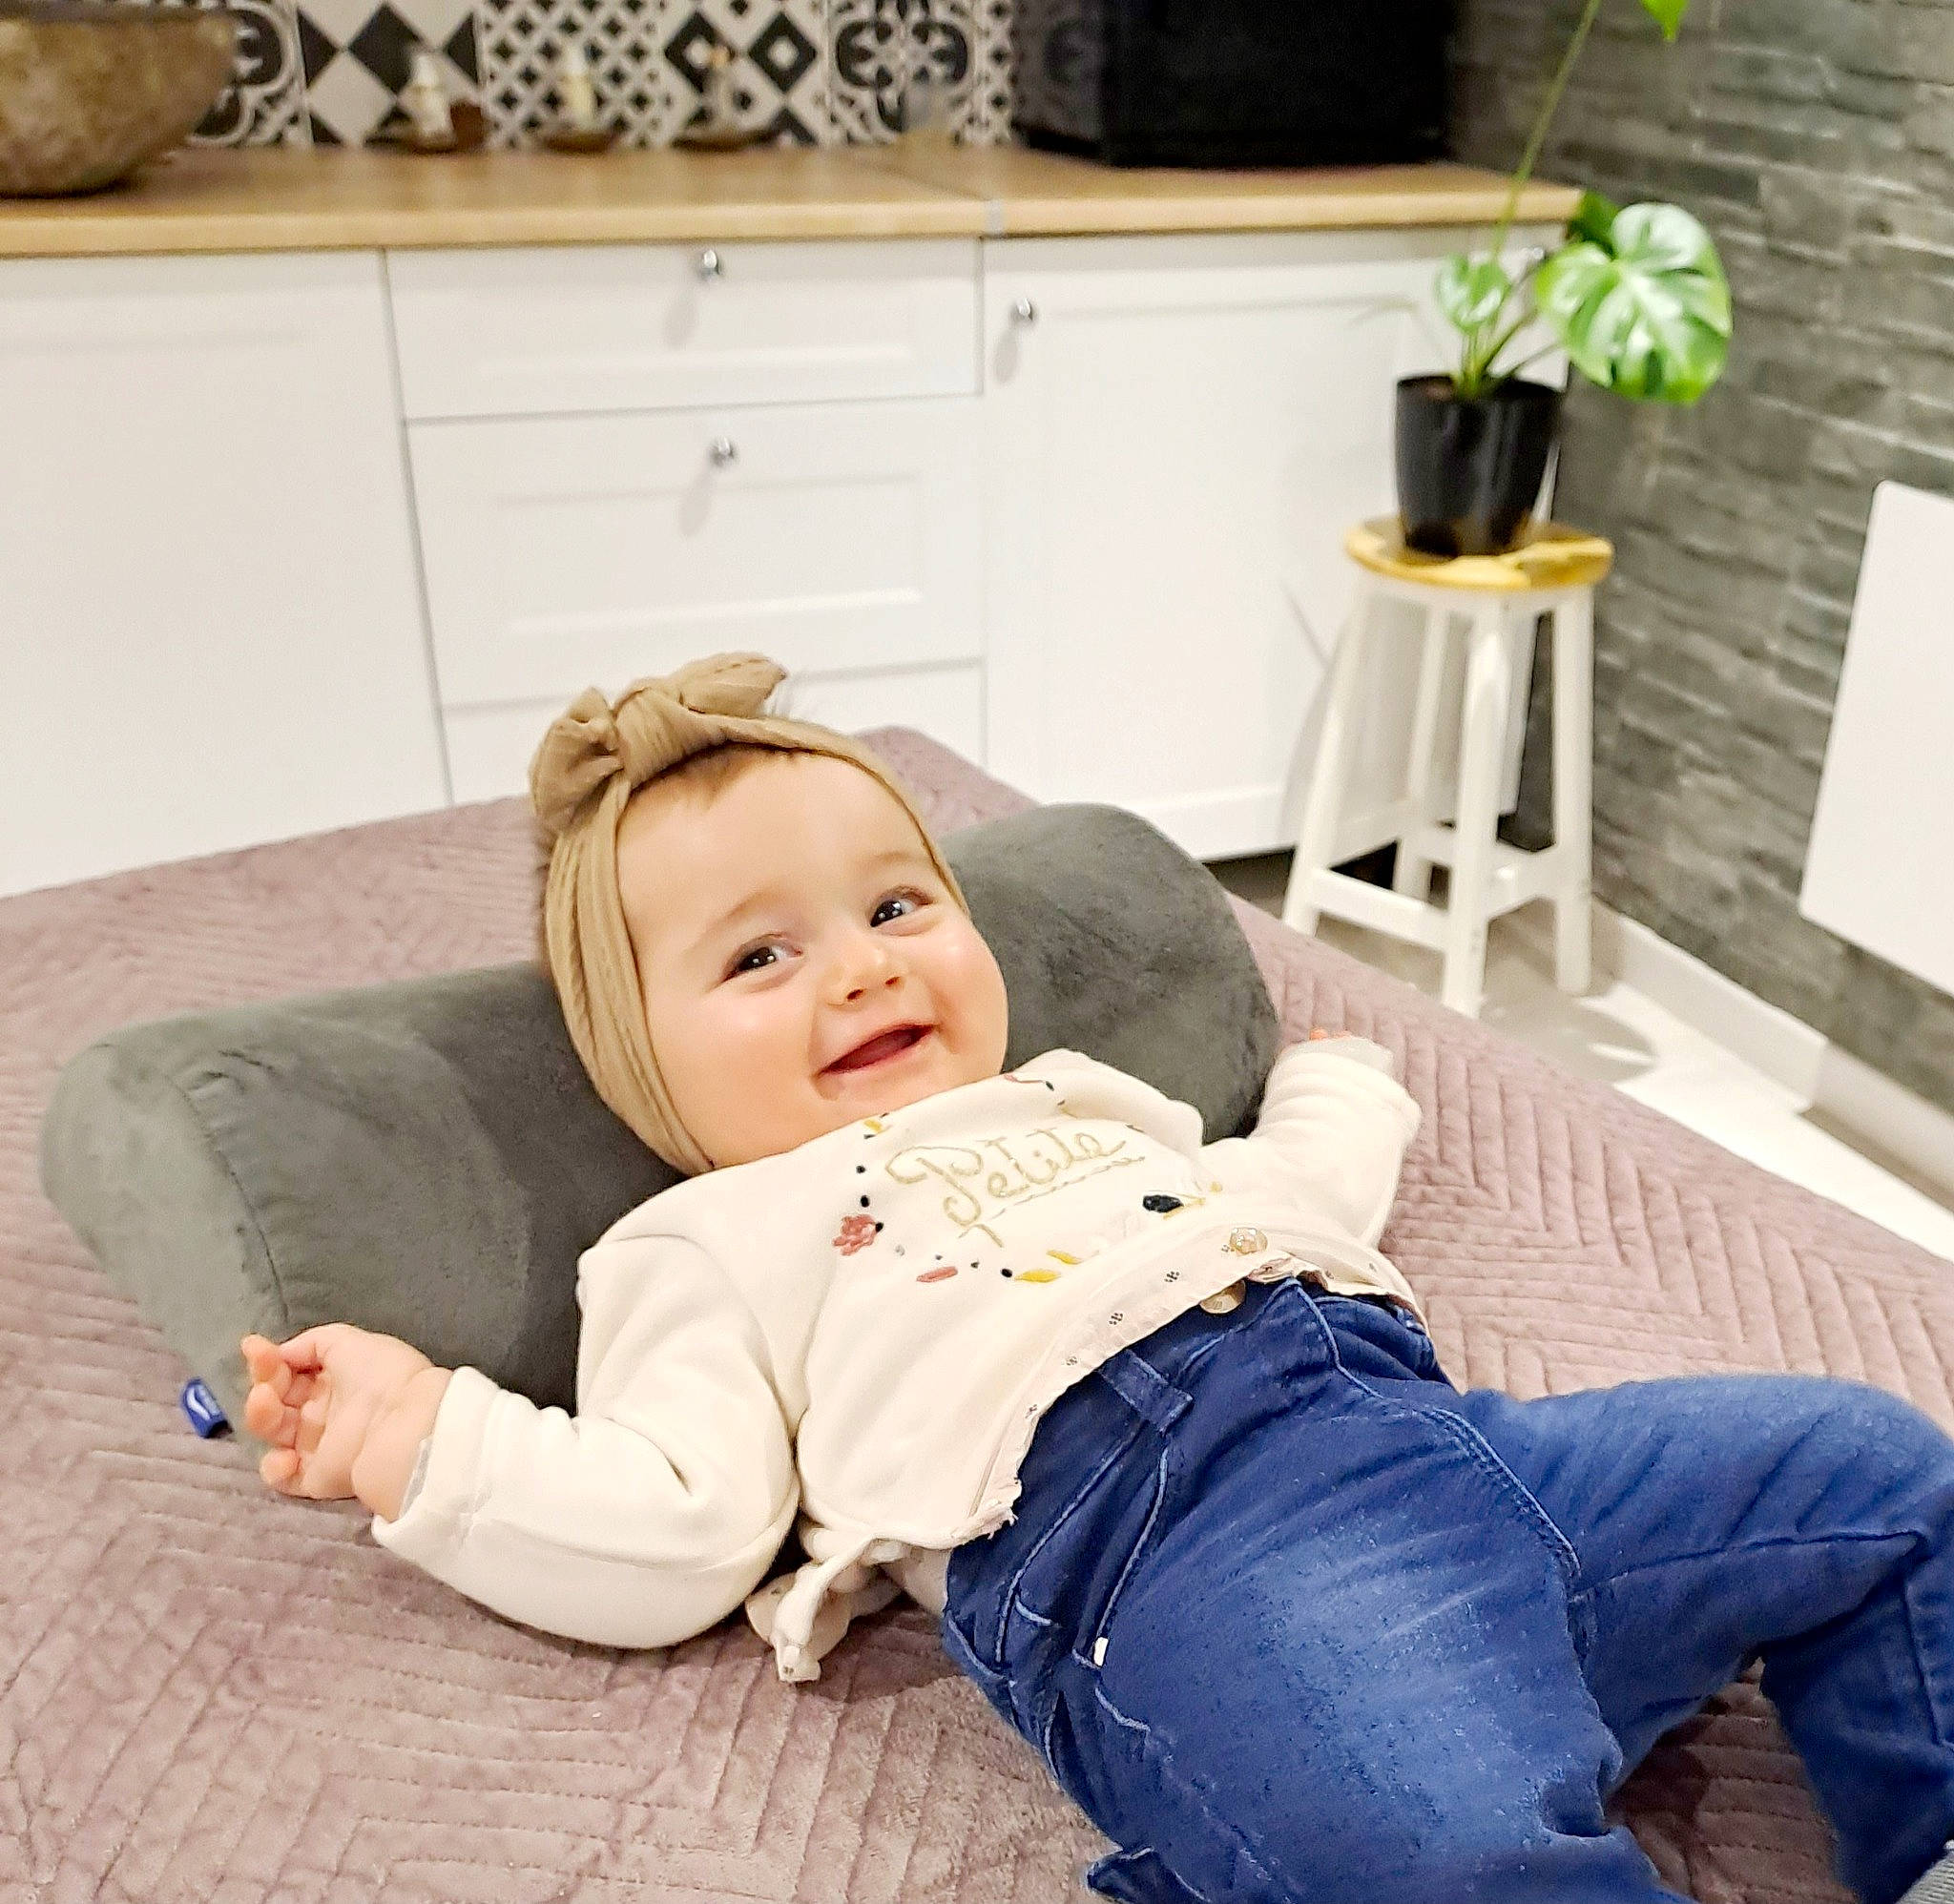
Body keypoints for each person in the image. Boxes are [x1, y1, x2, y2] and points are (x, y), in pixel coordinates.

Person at [241, 652, 1954, 1904]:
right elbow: (673, 1521)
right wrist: (422, 1439)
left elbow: (1283, 1196)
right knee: (1437, 1852)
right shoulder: (707, 1241)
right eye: (761, 956)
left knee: (1883, 1478)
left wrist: (1340, 1087)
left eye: (899, 905)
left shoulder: (1080, 1100)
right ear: (643, 1070)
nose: (859, 968)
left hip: (1468, 1452)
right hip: (1185, 1557)